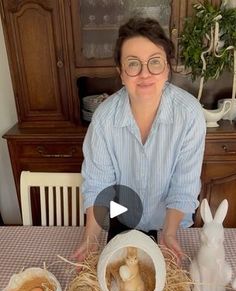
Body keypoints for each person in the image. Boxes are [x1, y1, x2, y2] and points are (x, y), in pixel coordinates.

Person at [73, 17, 206, 264]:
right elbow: (98, 185)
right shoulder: (104, 119)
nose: (145, 74)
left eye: (155, 62)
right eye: (133, 64)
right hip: (122, 224)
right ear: (121, 73)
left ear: (167, 69)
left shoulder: (189, 114)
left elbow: (184, 187)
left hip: (171, 227)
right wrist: (91, 238)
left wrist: (169, 232)